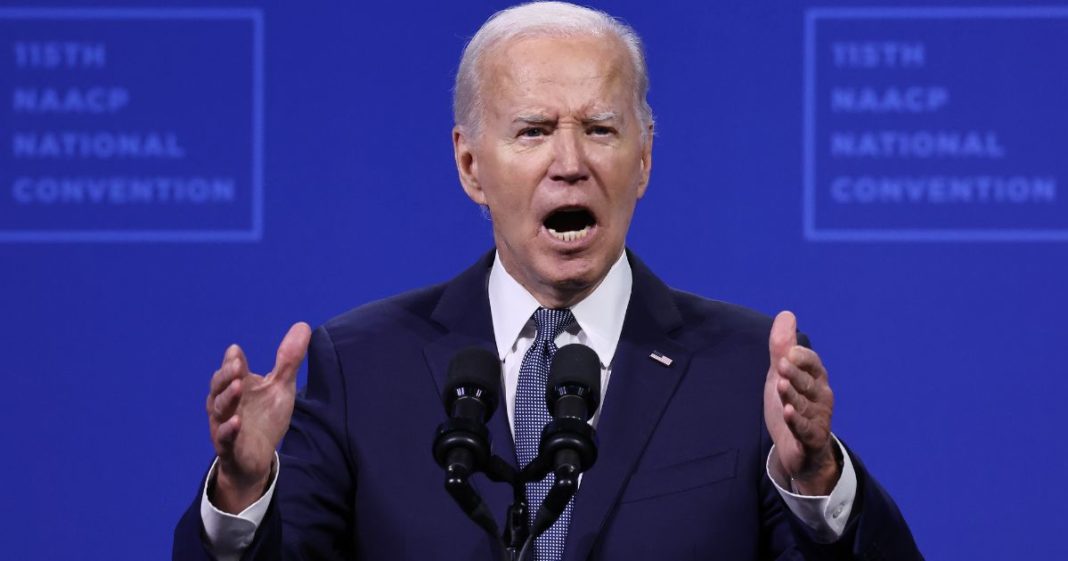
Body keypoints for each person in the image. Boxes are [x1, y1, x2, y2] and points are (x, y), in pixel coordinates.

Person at [174, 2, 922, 560]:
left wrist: (818, 480)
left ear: (645, 157)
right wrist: (243, 492)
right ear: (471, 165)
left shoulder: (745, 367)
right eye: (534, 131)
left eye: (600, 129)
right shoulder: (363, 365)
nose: (572, 161)